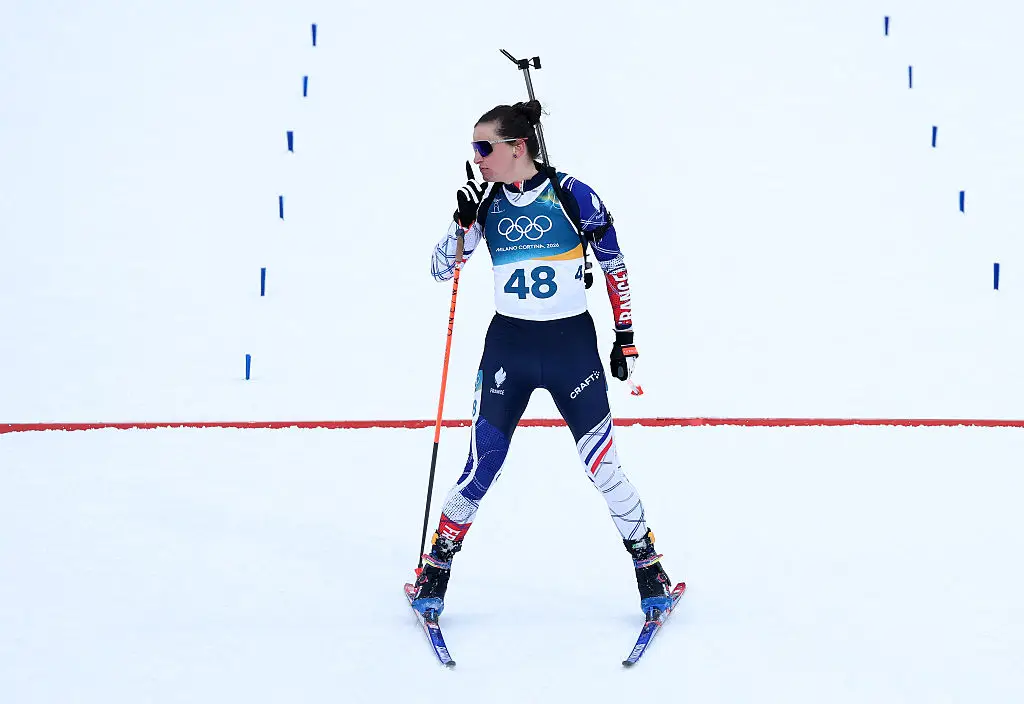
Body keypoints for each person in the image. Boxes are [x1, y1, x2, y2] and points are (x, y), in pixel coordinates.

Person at [411, 100, 674, 618]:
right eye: (474, 149)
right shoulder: (484, 204)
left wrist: (626, 336)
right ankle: (436, 571)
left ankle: (649, 569)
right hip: (509, 346)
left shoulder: (572, 194)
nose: (478, 158)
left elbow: (613, 264)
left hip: (571, 349)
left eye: (485, 148)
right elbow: (442, 268)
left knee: (603, 466)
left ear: (518, 146)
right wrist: (460, 225)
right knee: (482, 464)